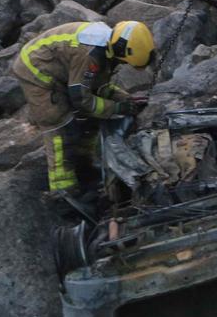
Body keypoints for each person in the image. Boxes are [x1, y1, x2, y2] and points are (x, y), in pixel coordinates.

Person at [11, 20, 155, 199]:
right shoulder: (88, 55)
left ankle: (85, 168)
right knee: (59, 126)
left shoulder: (108, 46)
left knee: (93, 117)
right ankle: (64, 192)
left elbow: (98, 86)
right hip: (36, 71)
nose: (122, 65)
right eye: (123, 62)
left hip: (60, 68)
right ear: (119, 51)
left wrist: (125, 99)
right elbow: (82, 99)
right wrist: (117, 107)